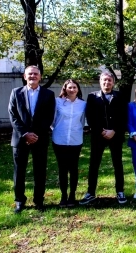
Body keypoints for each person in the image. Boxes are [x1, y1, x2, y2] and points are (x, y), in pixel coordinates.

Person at [8, 65, 55, 213]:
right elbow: (13, 115)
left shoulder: (48, 94)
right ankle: (19, 200)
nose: (33, 76)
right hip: (20, 138)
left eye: (35, 74)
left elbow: (49, 116)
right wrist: (25, 134)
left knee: (40, 171)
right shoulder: (16, 93)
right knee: (19, 171)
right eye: (30, 74)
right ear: (24, 76)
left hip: (39, 138)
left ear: (40, 77)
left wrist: (35, 134)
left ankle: (38, 200)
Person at [80, 72, 127, 205]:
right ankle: (90, 192)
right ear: (100, 82)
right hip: (98, 136)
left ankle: (120, 191)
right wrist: (101, 131)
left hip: (115, 136)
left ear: (113, 82)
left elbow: (124, 117)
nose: (107, 83)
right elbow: (90, 117)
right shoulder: (92, 97)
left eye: (109, 80)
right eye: (104, 80)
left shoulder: (120, 96)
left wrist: (114, 131)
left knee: (118, 164)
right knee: (94, 164)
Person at [51, 79, 86, 207]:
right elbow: (52, 119)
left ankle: (72, 195)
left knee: (73, 168)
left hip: (75, 140)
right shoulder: (57, 102)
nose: (72, 90)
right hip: (59, 139)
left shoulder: (83, 104)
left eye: (74, 87)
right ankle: (63, 196)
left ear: (78, 89)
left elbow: (83, 121)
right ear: (65, 88)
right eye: (70, 87)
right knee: (62, 168)